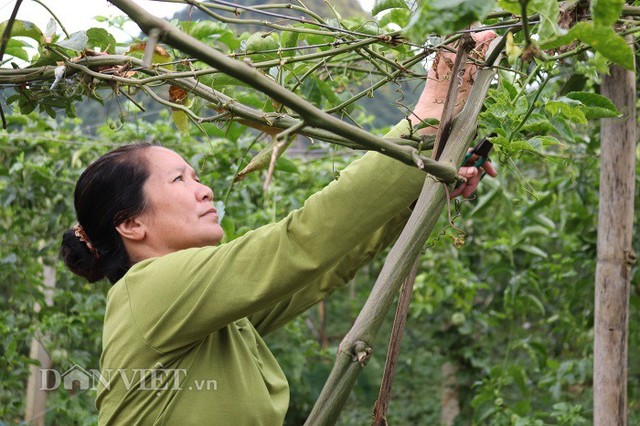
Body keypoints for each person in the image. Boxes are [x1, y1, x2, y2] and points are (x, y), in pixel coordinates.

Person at [60, 32, 496, 425]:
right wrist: (426, 115)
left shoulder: (206, 317)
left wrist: (423, 193)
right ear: (131, 224)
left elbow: (324, 269)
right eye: (179, 180)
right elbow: (301, 241)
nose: (205, 190)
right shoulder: (152, 288)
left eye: (196, 177)